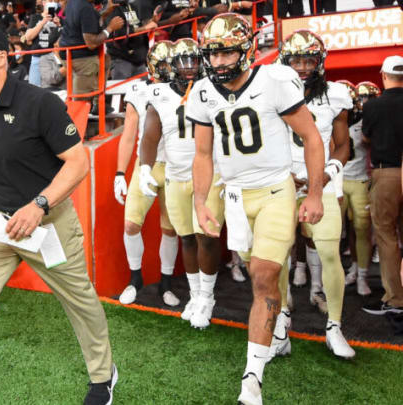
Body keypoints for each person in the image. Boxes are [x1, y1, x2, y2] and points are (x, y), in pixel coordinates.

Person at [0, 23, 116, 405]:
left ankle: (103, 377)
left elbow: (78, 162)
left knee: (80, 302)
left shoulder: (39, 104)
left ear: (2, 57)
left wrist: (39, 205)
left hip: (48, 224)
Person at [187, 14, 324, 404]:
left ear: (246, 49)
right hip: (233, 196)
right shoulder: (202, 91)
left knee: (264, 275)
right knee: (258, 272)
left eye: (227, 51)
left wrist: (313, 194)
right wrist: (200, 201)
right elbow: (201, 153)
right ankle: (280, 326)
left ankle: (252, 380)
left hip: (275, 190)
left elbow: (311, 137)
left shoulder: (274, 81)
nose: (219, 62)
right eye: (213, 54)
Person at [271, 29, 355, 361]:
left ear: (320, 62)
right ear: (285, 61)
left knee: (330, 253)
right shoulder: (271, 92)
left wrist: (327, 173)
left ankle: (334, 326)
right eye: (296, 60)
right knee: (277, 254)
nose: (303, 67)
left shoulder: (335, 94)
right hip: (280, 180)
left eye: (309, 60)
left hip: (321, 183)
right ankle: (280, 321)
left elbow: (344, 144)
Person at [141, 38, 225, 329]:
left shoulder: (212, 88)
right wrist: (143, 168)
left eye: (193, 61)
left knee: (207, 236)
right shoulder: (159, 93)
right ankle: (195, 294)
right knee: (186, 236)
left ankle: (208, 297)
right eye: (182, 62)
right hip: (176, 176)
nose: (188, 68)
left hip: (209, 174)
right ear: (171, 65)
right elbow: (150, 137)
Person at [113, 40, 180, 309]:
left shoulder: (185, 88)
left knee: (171, 228)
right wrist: (120, 172)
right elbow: (129, 136)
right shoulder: (139, 90)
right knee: (131, 224)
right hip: (146, 165)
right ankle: (135, 279)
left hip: (176, 165)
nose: (167, 69)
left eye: (170, 64)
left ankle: (166, 283)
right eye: (162, 64)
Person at [361, 55, 403, 316]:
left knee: (387, 237)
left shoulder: (373, 107)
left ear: (383, 75)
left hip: (386, 173)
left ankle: (396, 299)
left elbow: (365, 138)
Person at [342, 81, 379, 296]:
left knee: (362, 229)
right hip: (338, 180)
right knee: (337, 231)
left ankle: (362, 275)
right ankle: (351, 269)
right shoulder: (332, 120)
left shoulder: (365, 120)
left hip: (360, 180)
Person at [59, 0, 123, 103]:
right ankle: (86, 110)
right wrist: (110, 28)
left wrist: (105, 12)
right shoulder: (85, 8)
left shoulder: (74, 2)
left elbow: (88, 21)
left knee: (106, 60)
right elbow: (91, 43)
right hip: (82, 59)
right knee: (81, 103)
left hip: (70, 54)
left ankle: (98, 103)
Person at [105, 0, 160, 80]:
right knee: (122, 91)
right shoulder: (112, 8)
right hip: (122, 60)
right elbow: (119, 34)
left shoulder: (132, 6)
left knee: (143, 91)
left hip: (139, 60)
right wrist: (145, 28)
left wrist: (152, 21)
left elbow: (137, 25)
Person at [23, 2, 62, 86]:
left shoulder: (58, 20)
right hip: (37, 58)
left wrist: (59, 25)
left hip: (52, 58)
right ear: (44, 3)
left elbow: (62, 40)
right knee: (34, 90)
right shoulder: (36, 17)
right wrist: (43, 21)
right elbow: (28, 37)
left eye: (54, 0)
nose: (52, 2)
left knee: (51, 91)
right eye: (49, 0)